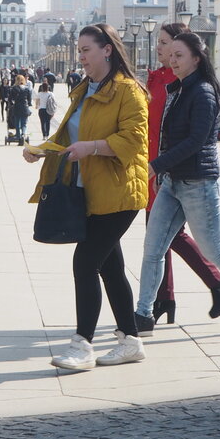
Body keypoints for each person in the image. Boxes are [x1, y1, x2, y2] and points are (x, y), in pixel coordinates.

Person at [24, 24, 149, 369]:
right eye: (78, 50)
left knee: (85, 262)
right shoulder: (84, 89)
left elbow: (134, 142)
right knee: (111, 267)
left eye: (86, 50)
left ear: (107, 50)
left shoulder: (129, 91)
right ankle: (130, 340)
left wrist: (92, 147)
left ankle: (82, 346)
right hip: (89, 190)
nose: (81, 57)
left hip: (120, 191)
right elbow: (69, 138)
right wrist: (44, 150)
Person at [135, 32, 220, 336]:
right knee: (152, 248)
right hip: (171, 182)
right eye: (172, 56)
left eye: (179, 56)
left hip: (198, 183)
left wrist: (155, 167)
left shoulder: (203, 92)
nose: (173, 60)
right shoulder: (178, 89)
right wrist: (162, 175)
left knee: (215, 251)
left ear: (197, 58)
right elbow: (168, 137)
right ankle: (142, 315)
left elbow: (196, 141)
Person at [145, 22, 220, 328]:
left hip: (174, 170)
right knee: (161, 240)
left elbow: (191, 137)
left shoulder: (183, 84)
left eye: (169, 46)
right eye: (159, 44)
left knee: (174, 240)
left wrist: (157, 166)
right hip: (157, 166)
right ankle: (167, 298)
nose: (163, 51)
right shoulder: (158, 80)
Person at [7, 74, 33, 142]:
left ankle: (18, 135)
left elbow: (10, 99)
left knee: (17, 122)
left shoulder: (14, 88)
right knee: (24, 123)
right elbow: (29, 100)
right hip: (24, 107)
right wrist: (29, 104)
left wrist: (12, 103)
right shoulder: (27, 89)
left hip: (17, 107)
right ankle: (23, 134)